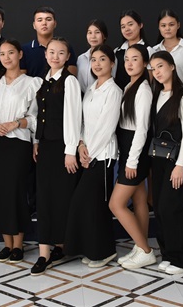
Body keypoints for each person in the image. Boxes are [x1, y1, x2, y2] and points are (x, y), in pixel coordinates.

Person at [0, 39, 42, 264]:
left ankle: (18, 244)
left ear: (20, 55)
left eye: (11, 53)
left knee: (16, 192)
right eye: (2, 54)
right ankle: (7, 244)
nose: (6, 58)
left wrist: (16, 123)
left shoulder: (32, 83)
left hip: (18, 143)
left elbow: (35, 118)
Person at [64, 44, 122, 267]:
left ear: (112, 64)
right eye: (94, 60)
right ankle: (93, 249)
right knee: (89, 205)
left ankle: (104, 251)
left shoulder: (114, 91)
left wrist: (90, 155)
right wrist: (80, 145)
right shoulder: (91, 88)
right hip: (87, 154)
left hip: (103, 156)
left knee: (95, 205)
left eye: (102, 59)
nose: (97, 64)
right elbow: (82, 122)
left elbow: (106, 128)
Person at [30, 38, 82, 275]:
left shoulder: (70, 81)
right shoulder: (43, 79)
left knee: (62, 197)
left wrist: (70, 151)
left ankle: (62, 245)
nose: (55, 56)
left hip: (63, 147)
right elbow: (37, 114)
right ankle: (44, 253)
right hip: (45, 146)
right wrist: (36, 141)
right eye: (51, 52)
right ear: (45, 54)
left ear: (67, 56)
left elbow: (73, 117)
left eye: (61, 53)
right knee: (44, 197)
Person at [148, 51, 183, 275]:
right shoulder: (157, 94)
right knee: (159, 208)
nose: (157, 72)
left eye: (160, 66)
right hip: (158, 159)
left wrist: (180, 165)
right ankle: (168, 253)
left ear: (172, 66)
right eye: (153, 68)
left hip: (176, 161)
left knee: (172, 208)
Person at [109, 44, 155, 270]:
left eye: (135, 59)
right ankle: (140, 246)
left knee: (116, 204)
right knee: (139, 200)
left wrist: (132, 161)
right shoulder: (129, 85)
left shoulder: (144, 89)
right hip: (128, 148)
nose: (129, 63)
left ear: (145, 63)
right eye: (126, 59)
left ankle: (145, 251)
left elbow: (142, 129)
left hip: (136, 151)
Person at [20, 7, 78, 77]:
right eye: (40, 20)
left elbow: (71, 75)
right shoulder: (24, 50)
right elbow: (22, 78)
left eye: (48, 19)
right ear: (34, 25)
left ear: (55, 24)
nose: (44, 23)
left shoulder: (65, 46)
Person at [152, 9, 183, 91]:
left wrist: (180, 95)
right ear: (159, 27)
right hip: (160, 96)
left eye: (171, 25)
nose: (167, 28)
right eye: (163, 25)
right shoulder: (154, 50)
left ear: (178, 25)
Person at [114, 10, 153, 90]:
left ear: (140, 25)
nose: (127, 29)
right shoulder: (117, 52)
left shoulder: (149, 50)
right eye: (123, 27)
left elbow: (150, 81)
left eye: (130, 24)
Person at [77, 19, 109, 94]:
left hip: (102, 95)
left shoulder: (109, 57)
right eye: (90, 32)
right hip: (83, 97)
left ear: (104, 36)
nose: (93, 36)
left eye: (97, 32)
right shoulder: (81, 58)